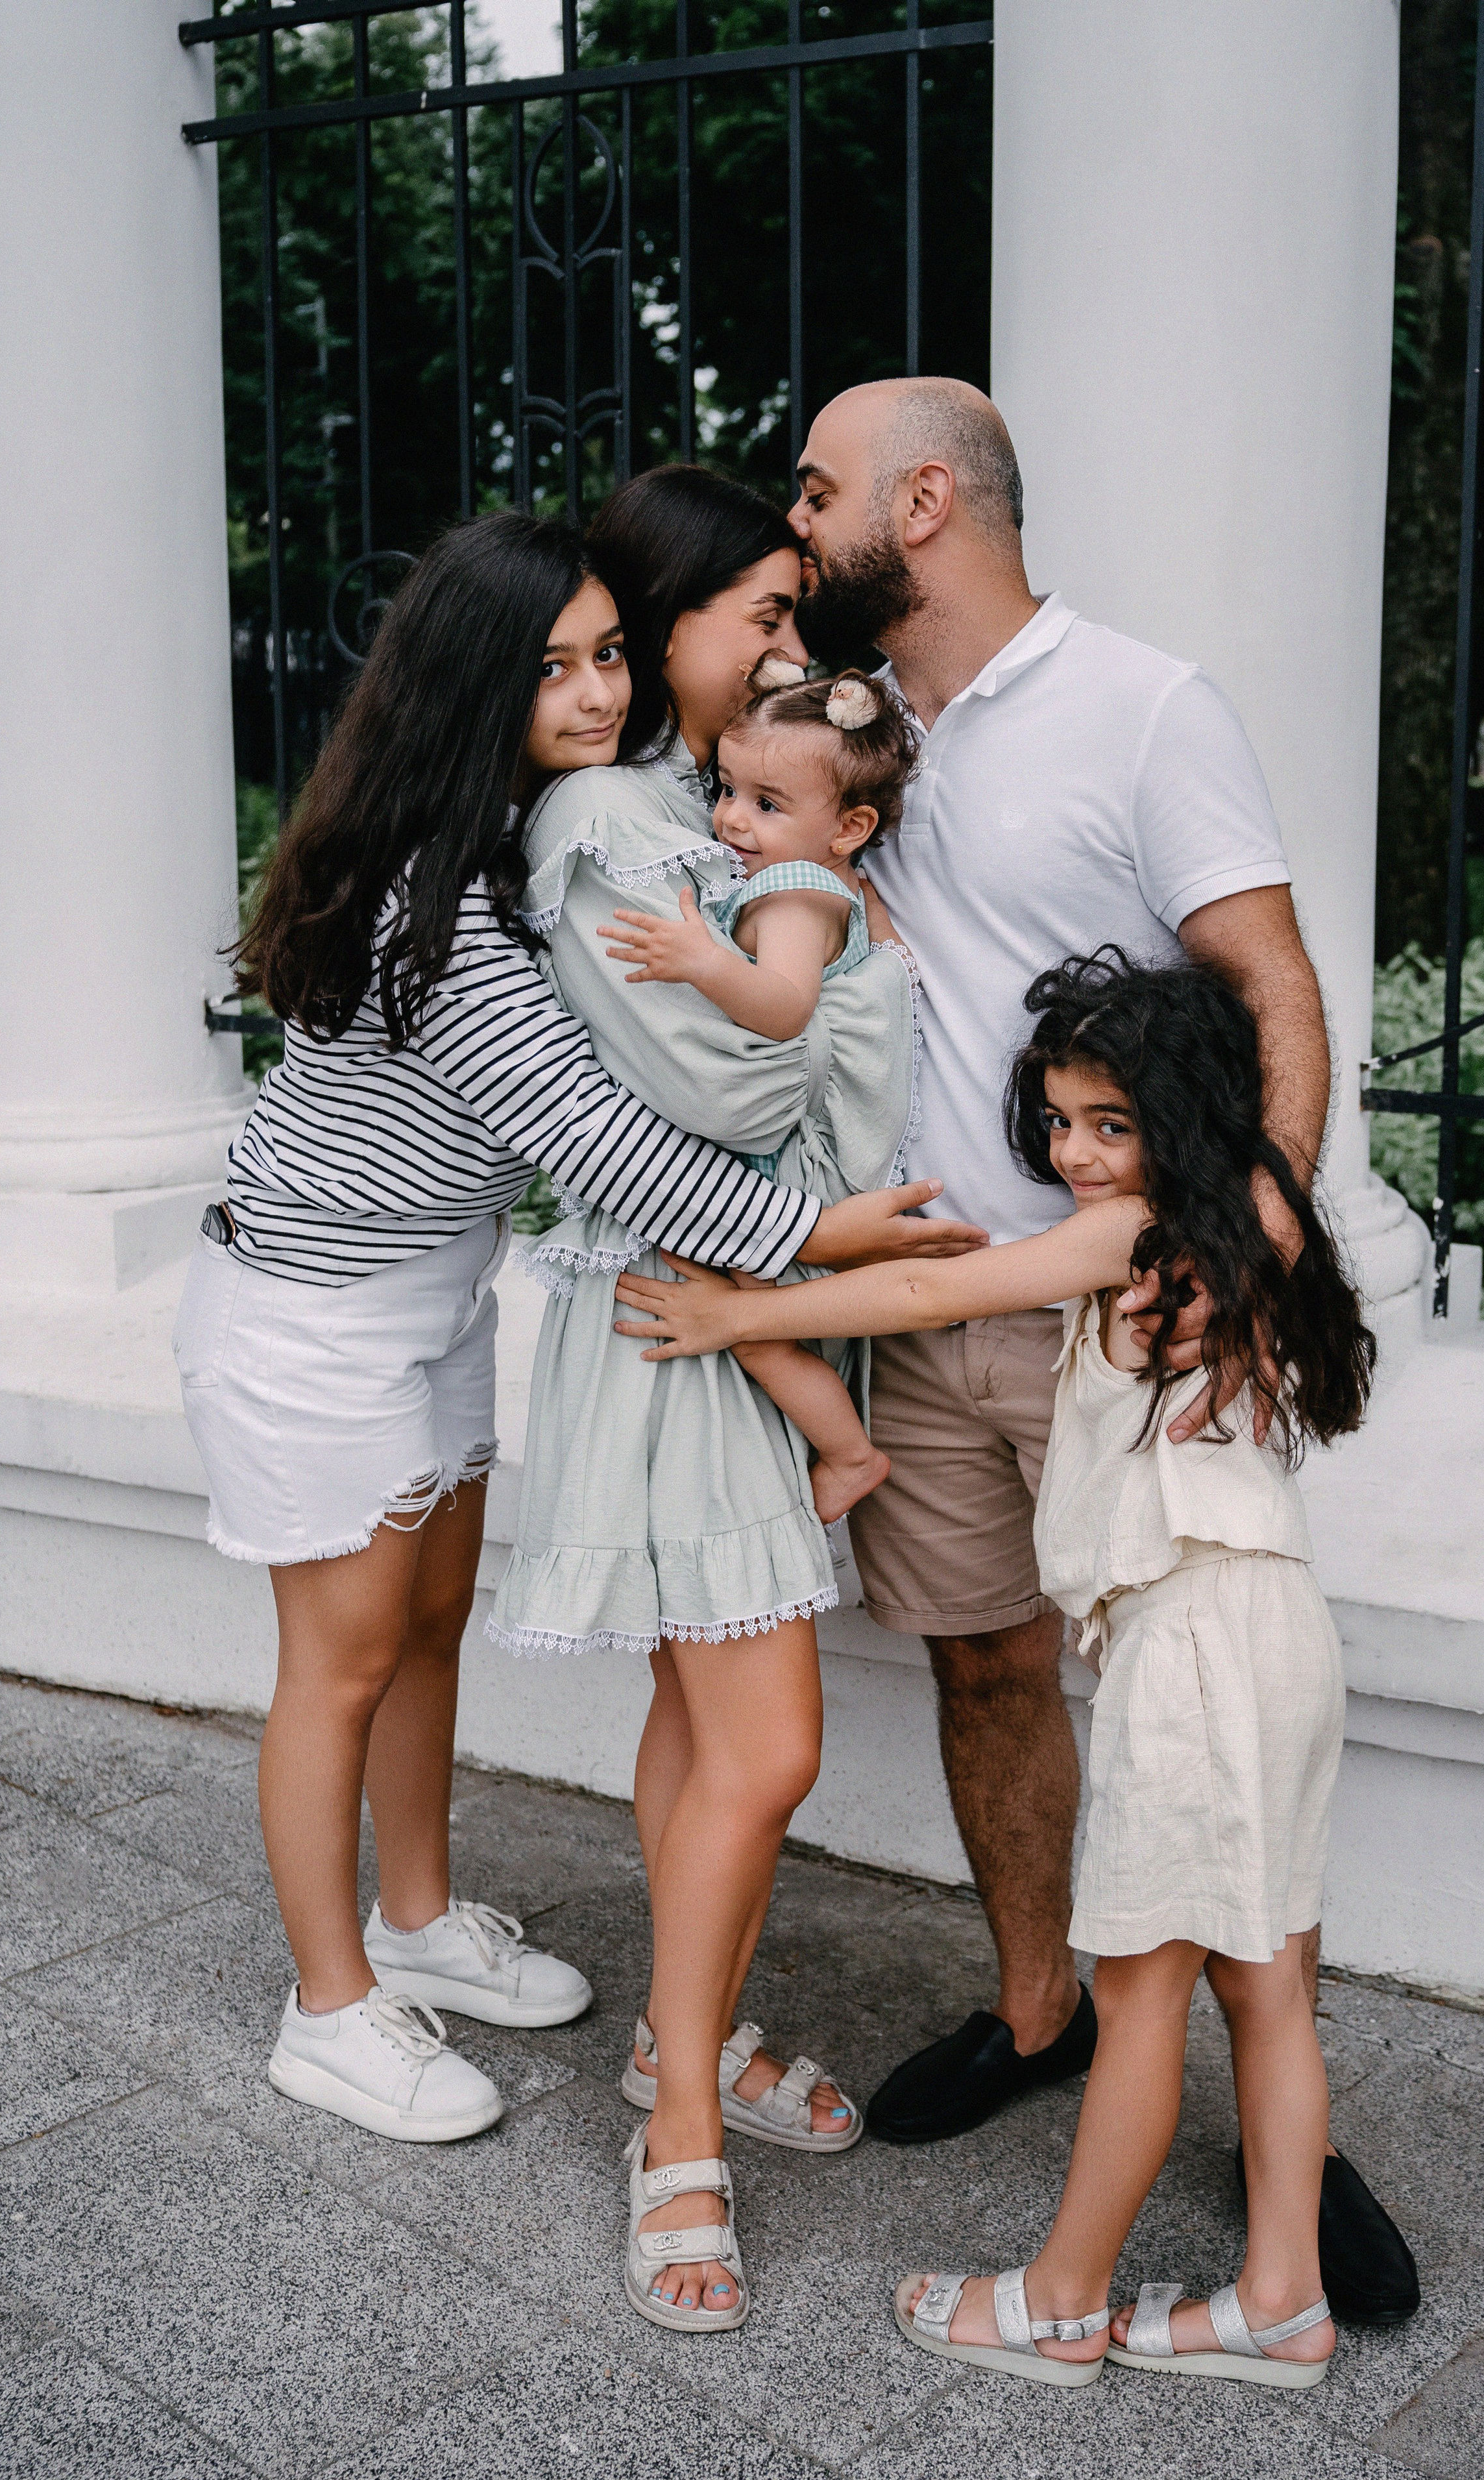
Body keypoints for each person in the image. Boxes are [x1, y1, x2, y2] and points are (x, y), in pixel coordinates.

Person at [173, 506, 978, 2148]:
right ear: (473, 683)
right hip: (308, 1311)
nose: (598, 695)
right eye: (551, 670)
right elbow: (585, 1131)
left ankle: (414, 1918)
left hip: (425, 1292)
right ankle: (329, 2006)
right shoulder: (434, 907)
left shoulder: (502, 839)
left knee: (431, 1615)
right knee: (334, 1663)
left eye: (609, 654)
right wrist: (813, 1241)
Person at [782, 376, 1419, 2324]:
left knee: (1190, 1721)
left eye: (814, 496)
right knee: (988, 1674)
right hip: (929, 1305)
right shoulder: (846, 736)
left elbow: (1272, 980)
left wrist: (1264, 1232)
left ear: (920, 500)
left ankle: (1280, 2130)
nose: (793, 531)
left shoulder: (1147, 706)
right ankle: (1045, 2010)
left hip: (1120, 1324)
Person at [613, 946, 1373, 2390]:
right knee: (1264, 1982)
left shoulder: (1139, 1239)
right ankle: (1279, 2297)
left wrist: (737, 1315)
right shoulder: (1250, 1237)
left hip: (1193, 1647)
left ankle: (1056, 2301)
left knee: (1142, 1993)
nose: (1074, 1156)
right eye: (1062, 1120)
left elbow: (916, 1300)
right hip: (1276, 1633)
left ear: (1183, 1119)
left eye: (1110, 1123)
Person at [487, 467, 951, 2334]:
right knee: (771, 1753)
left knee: (703, 1723)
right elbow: (740, 1103)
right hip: (697, 1317)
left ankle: (685, 2041)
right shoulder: (617, 819)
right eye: (756, 612)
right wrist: (826, 982)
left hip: (719, 1302)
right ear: (669, 620)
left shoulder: (707, 808)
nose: (784, 641)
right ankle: (679, 2122)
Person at [598, 663, 920, 1520]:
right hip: (850, 1158)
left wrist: (702, 963)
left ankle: (850, 1454)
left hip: (804, 1163)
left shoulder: (791, 892)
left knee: (744, 1314)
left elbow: (784, 1011)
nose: (734, 818)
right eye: (727, 788)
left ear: (850, 826)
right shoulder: (849, 886)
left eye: (768, 805)